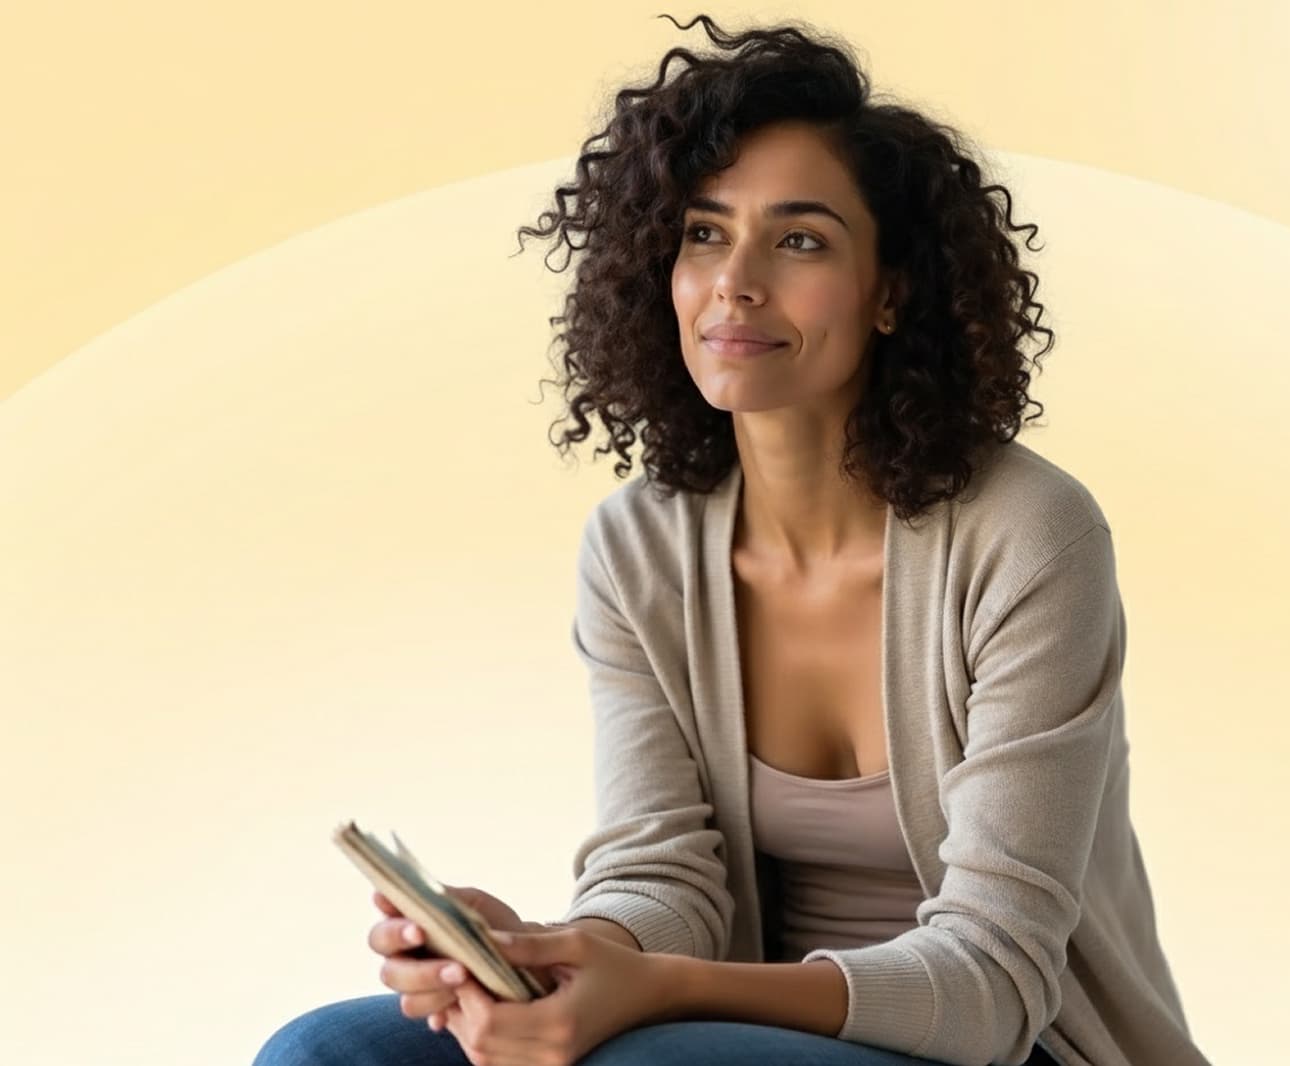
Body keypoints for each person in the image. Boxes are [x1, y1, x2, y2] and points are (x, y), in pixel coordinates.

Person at [253, 13, 1210, 1066]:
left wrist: (653, 989)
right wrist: (557, 953)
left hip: (1009, 1045)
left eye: (798, 240)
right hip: (727, 1031)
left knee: (634, 1063)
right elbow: (663, 875)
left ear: (891, 292)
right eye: (704, 232)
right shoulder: (638, 547)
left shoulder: (1028, 536)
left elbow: (992, 980)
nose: (735, 282)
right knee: (330, 1054)